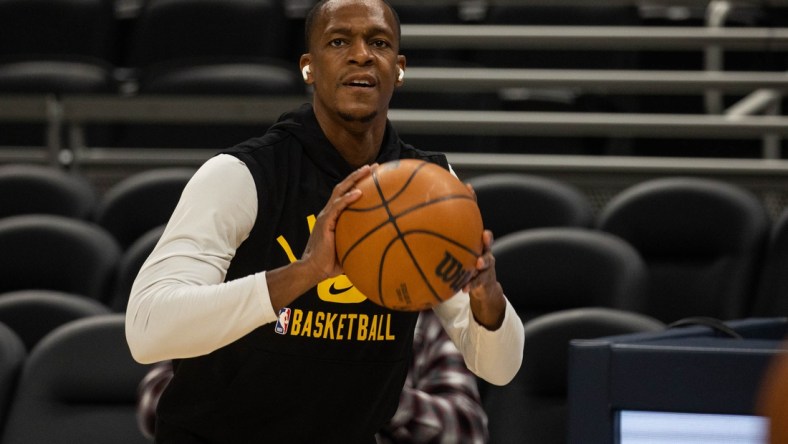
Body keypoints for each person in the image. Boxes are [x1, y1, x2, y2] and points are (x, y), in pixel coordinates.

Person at [125, 0, 524, 442]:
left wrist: (488, 302)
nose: (361, 54)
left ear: (399, 68)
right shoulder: (242, 175)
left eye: (379, 42)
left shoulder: (430, 186)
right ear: (309, 68)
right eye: (338, 41)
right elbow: (147, 329)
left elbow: (498, 368)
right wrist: (305, 272)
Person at [136, 311, 490, 443]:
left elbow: (466, 429)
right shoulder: (257, 301)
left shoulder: (427, 318)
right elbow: (155, 399)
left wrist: (366, 390)